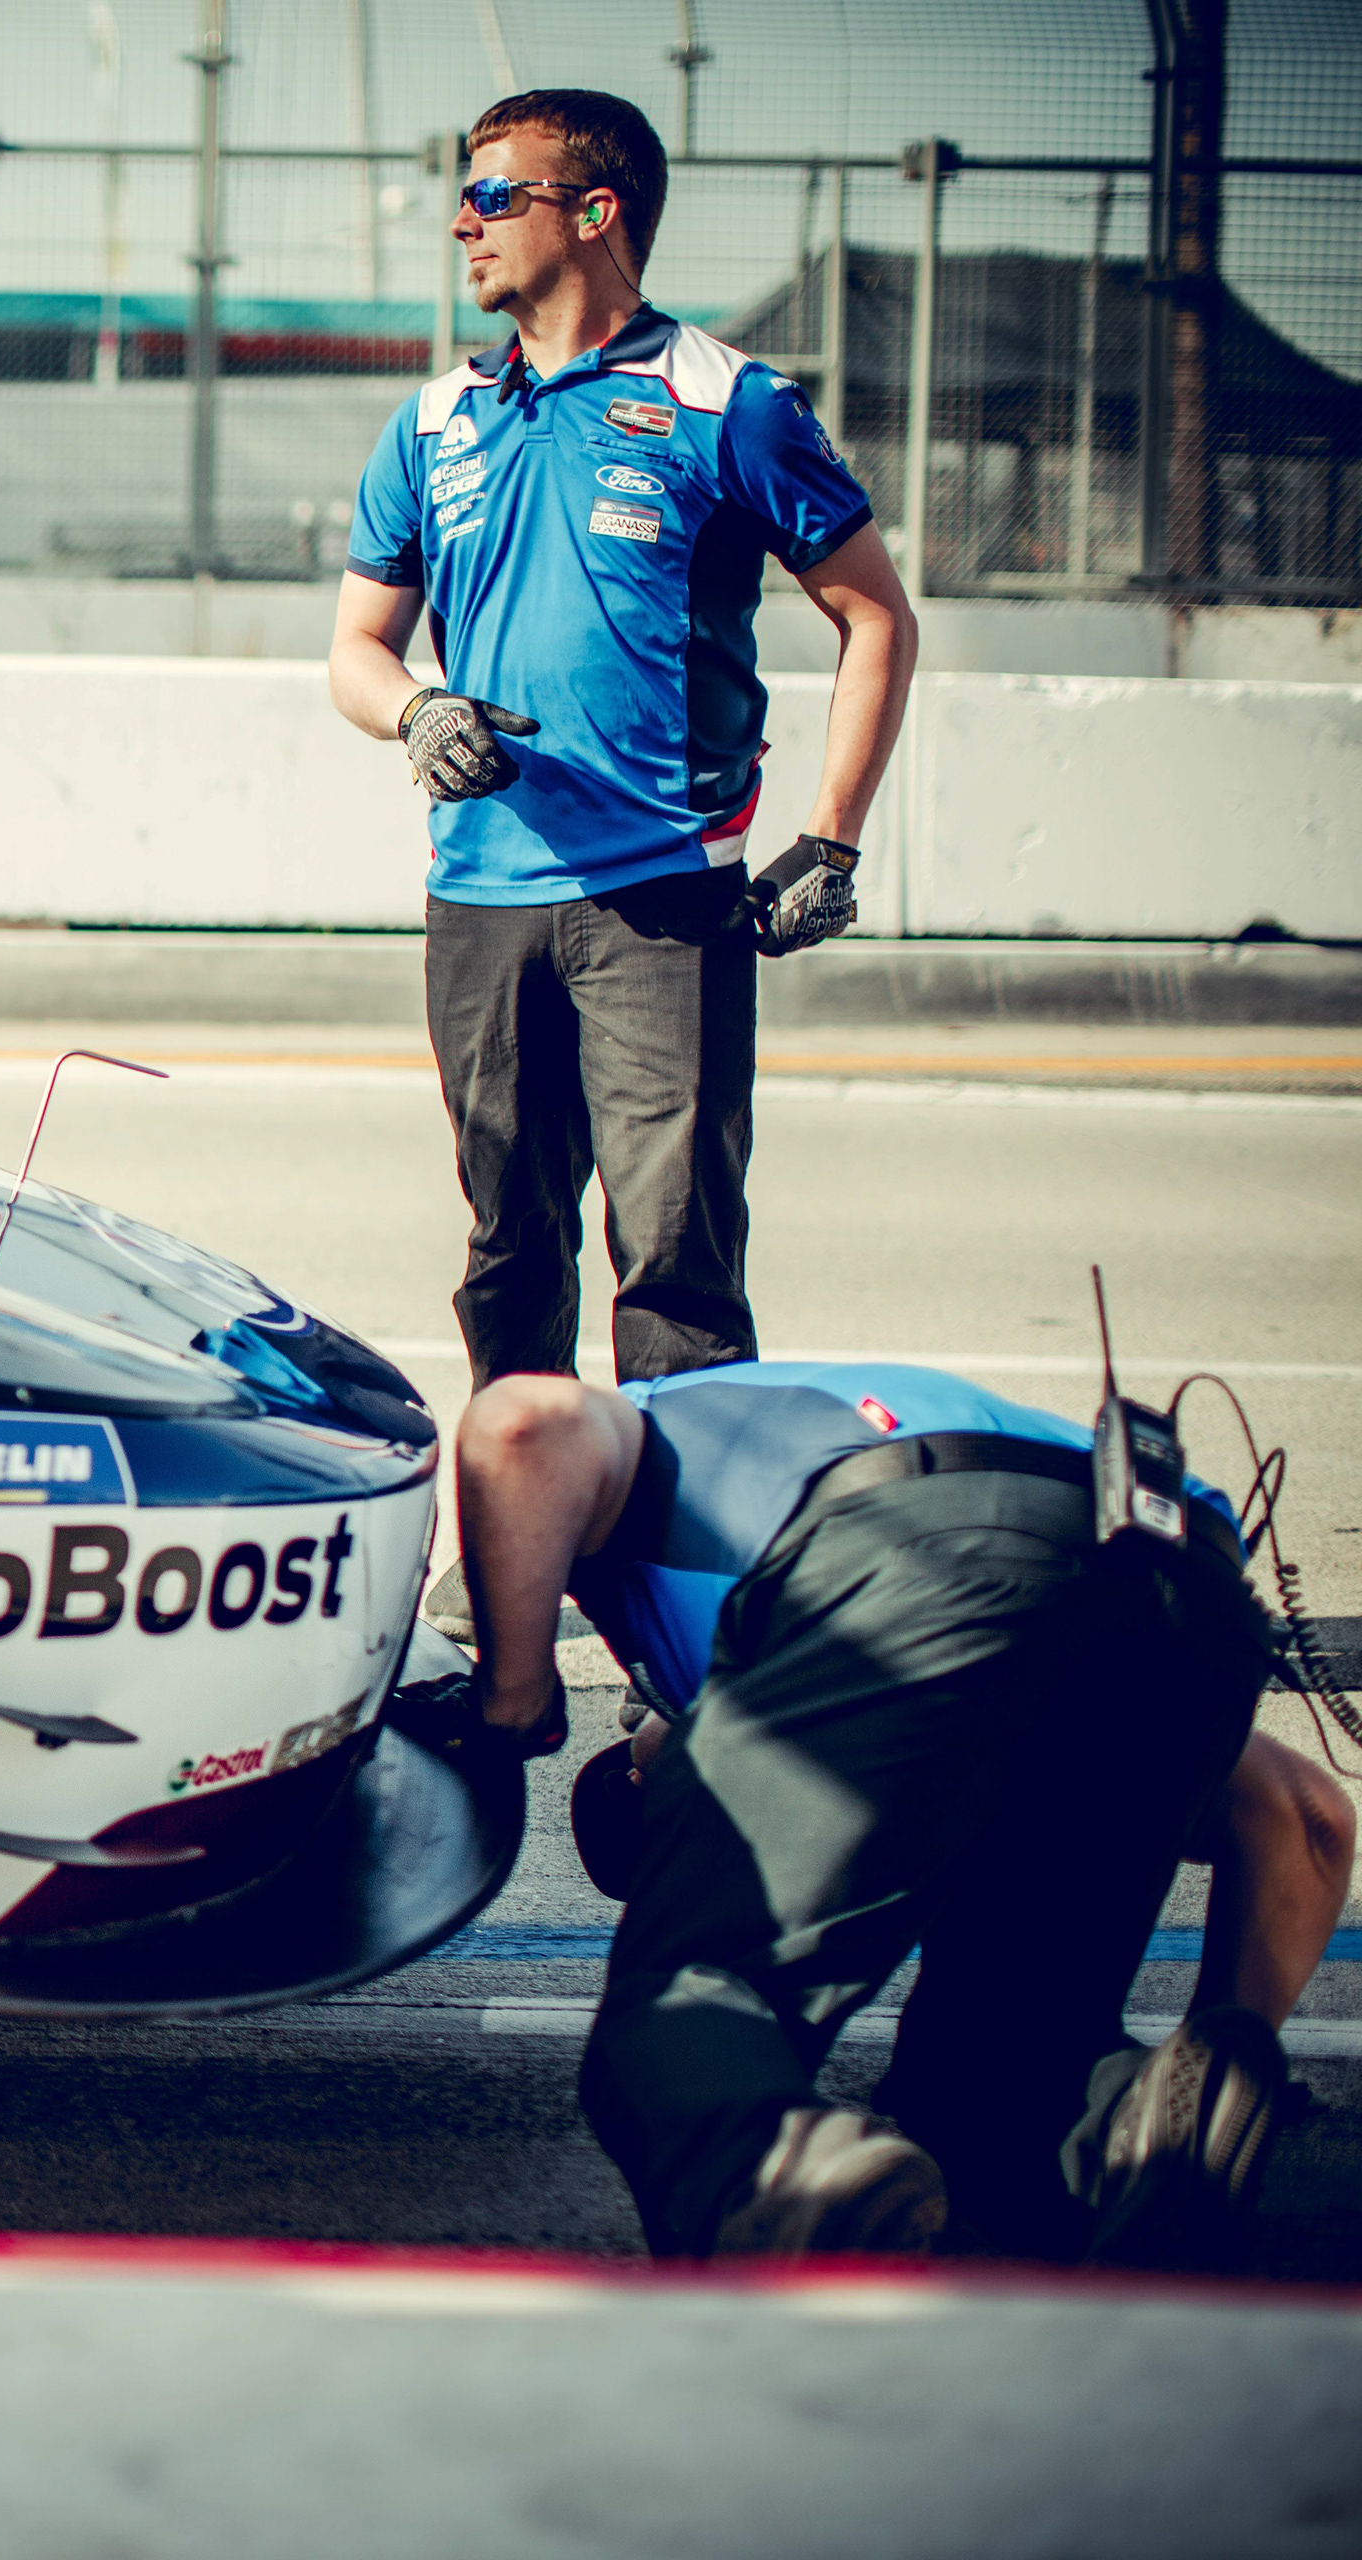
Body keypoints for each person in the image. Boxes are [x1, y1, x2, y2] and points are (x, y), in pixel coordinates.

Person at [327, 90, 922, 1637]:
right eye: (459, 196)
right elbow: (355, 650)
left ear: (595, 211)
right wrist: (421, 710)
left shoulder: (734, 402)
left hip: (667, 899)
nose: (461, 221)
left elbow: (876, 614)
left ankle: (685, 1583)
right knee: (508, 1249)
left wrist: (834, 835)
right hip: (482, 900)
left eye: (490, 196)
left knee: (672, 1259)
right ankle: (511, 1553)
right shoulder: (436, 420)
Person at [415, 1357, 1329, 2265]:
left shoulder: (667, 1461)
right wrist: (1222, 2042)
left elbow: (522, 1421)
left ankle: (790, 2184)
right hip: (1185, 1579)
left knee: (688, 2020)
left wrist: (515, 1695)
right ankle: (1128, 2119)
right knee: (993, 2082)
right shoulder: (778, 1500)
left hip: (914, 1547)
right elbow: (1306, 1812)